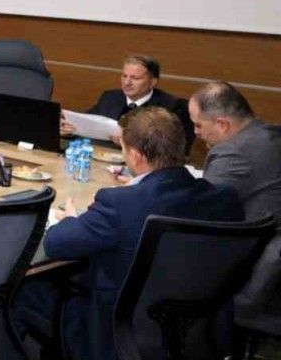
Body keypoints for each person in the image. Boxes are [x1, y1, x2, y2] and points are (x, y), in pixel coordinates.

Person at [14, 106, 243, 360]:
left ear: (135, 156)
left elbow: (55, 243)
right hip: (195, 333)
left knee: (20, 290)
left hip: (114, 334)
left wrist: (70, 220)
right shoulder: (224, 198)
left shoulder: (121, 204)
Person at [191, 82, 281, 337]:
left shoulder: (234, 153)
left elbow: (199, 210)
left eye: (198, 125)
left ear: (222, 124)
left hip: (249, 272)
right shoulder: (270, 134)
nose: (195, 132)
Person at [60, 54, 193, 152]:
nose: (127, 82)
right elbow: (89, 122)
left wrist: (130, 142)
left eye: (135, 78)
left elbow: (176, 149)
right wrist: (72, 130)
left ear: (152, 82)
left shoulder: (171, 106)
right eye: (124, 76)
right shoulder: (110, 97)